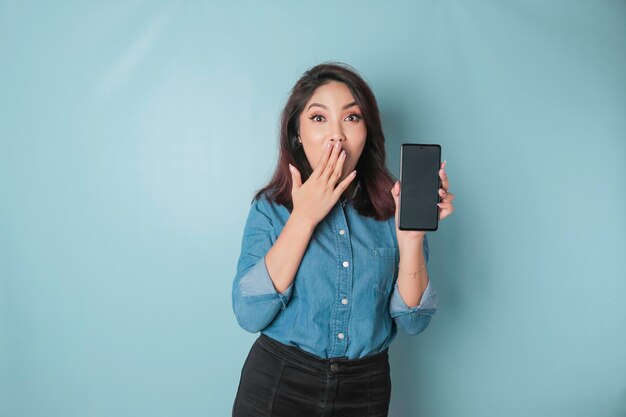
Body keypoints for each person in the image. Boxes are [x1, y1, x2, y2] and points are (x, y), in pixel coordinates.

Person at [231, 62, 455, 417]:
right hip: (279, 385)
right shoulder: (270, 209)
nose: (337, 134)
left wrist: (410, 240)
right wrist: (303, 218)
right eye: (319, 118)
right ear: (297, 134)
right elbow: (249, 314)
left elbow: (414, 321)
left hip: (364, 390)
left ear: (367, 132)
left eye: (351, 118)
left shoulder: (392, 208)